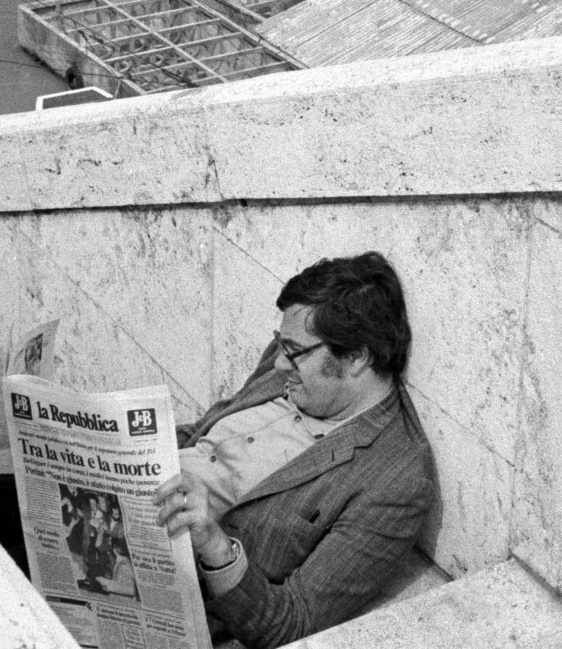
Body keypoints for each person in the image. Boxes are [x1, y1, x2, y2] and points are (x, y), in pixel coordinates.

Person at [155, 252, 436, 649]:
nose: (279, 364)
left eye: (293, 351)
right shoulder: (296, 366)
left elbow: (294, 623)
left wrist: (214, 545)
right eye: (280, 344)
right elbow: (208, 429)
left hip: (173, 578)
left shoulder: (396, 482)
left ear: (357, 356)